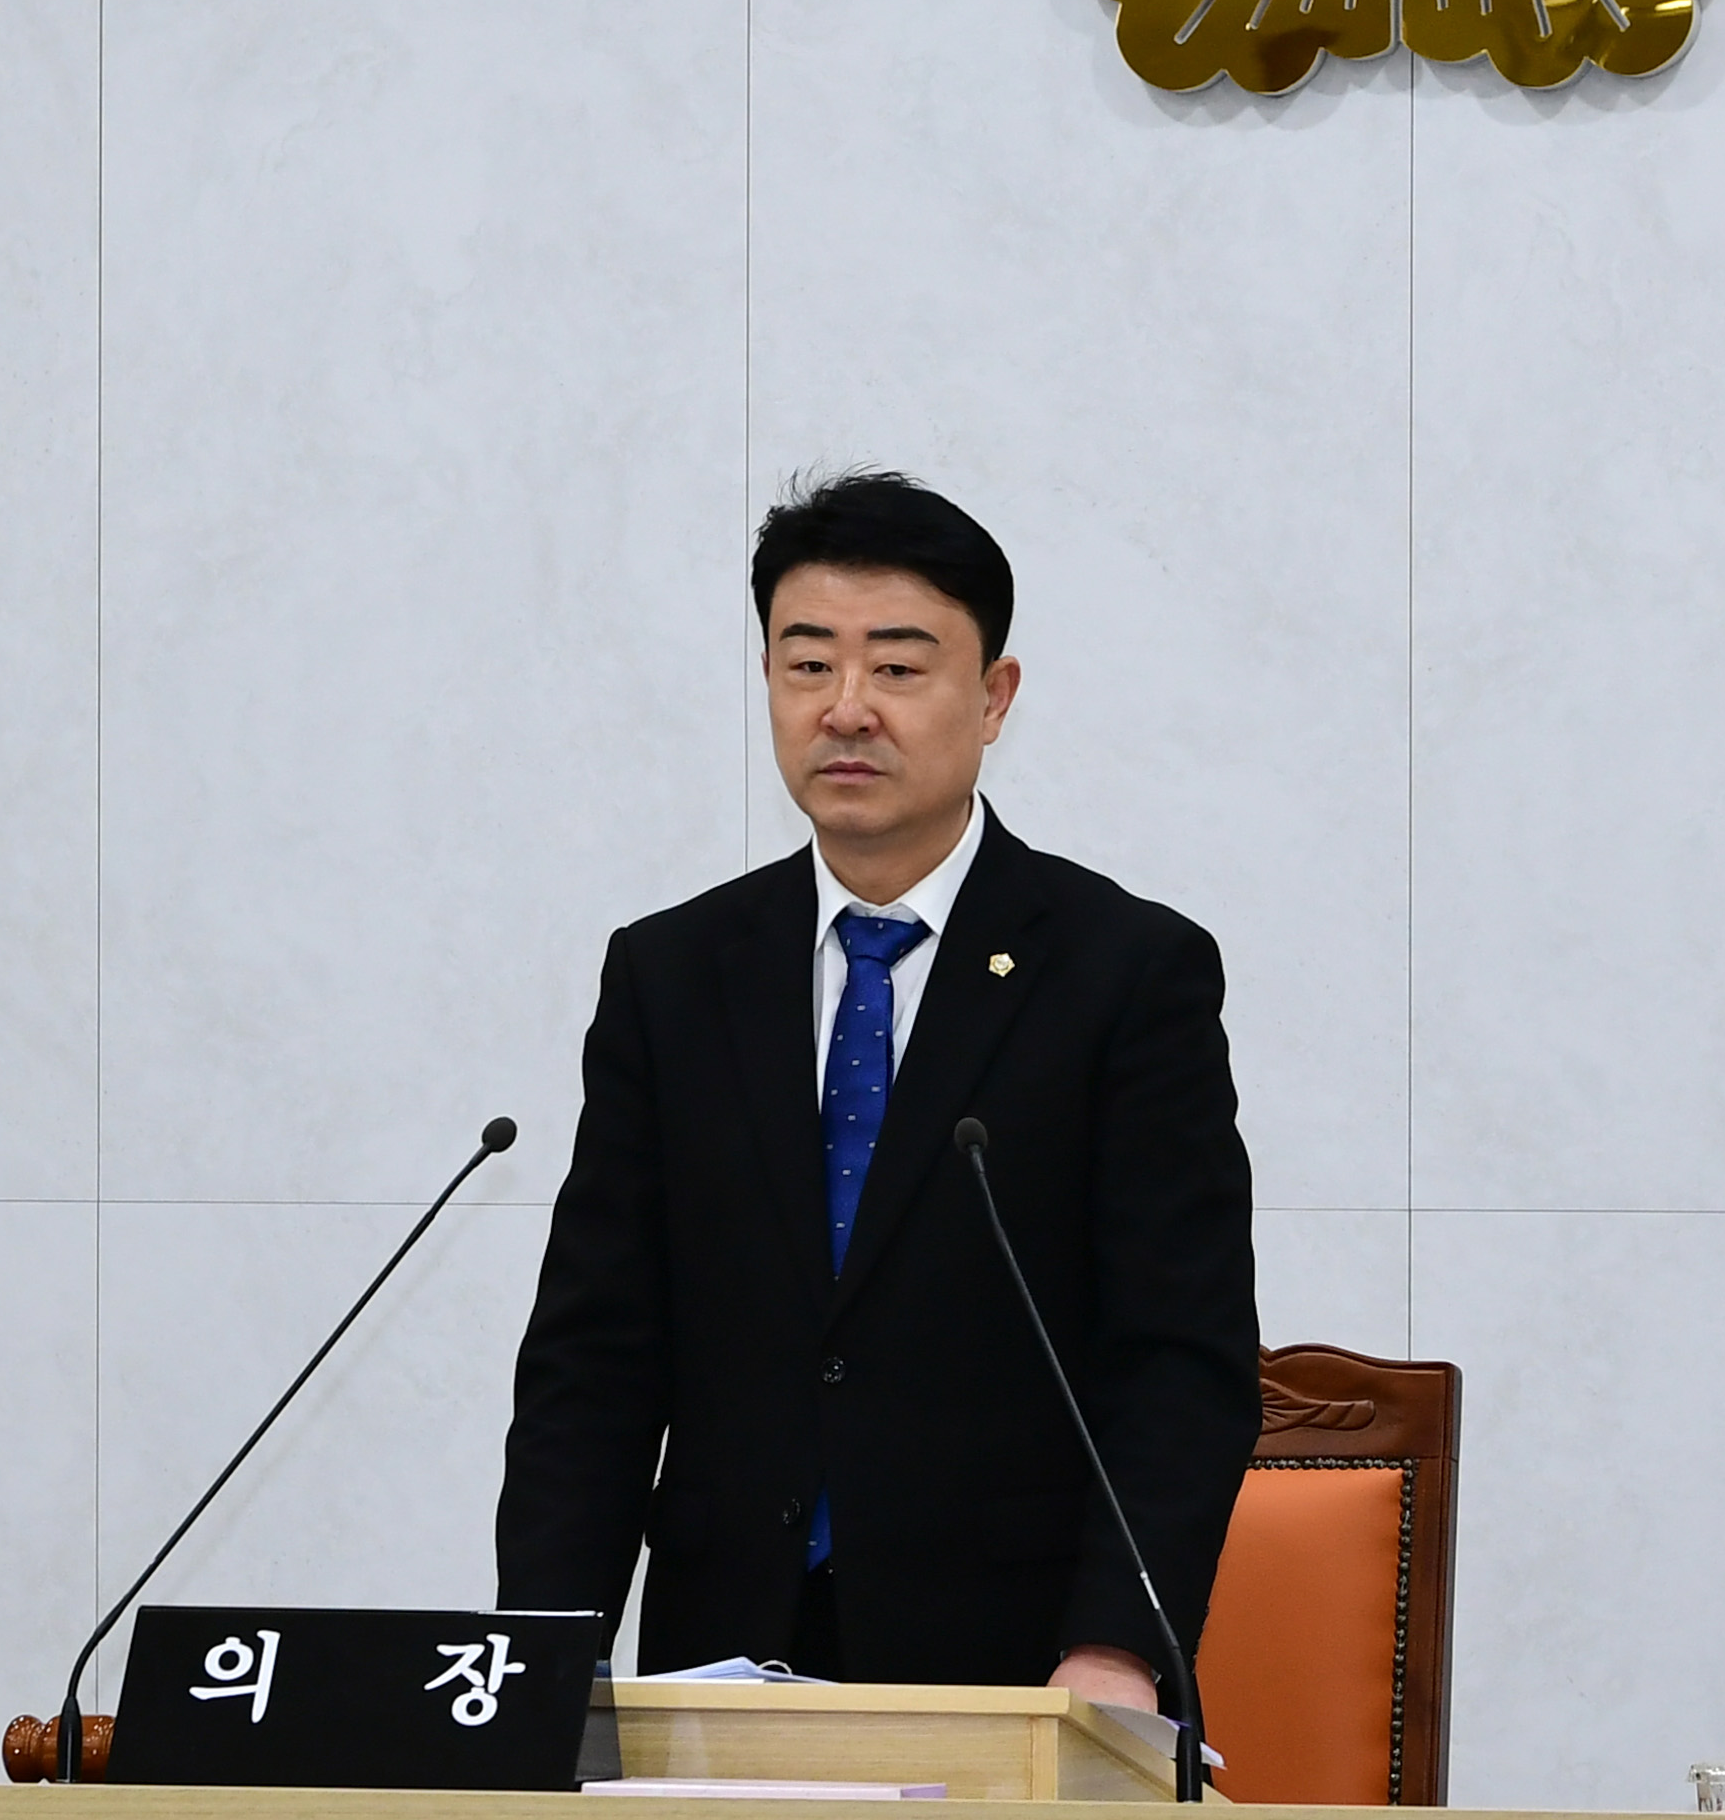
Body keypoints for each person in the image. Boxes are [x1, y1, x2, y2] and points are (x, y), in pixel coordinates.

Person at [498, 470, 1260, 1702]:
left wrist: (1115, 1647)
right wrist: (538, 1661)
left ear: (994, 696)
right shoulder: (674, 973)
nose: (846, 708)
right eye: (808, 665)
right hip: (720, 1660)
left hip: (1022, 1669)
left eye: (898, 667)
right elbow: (593, 1361)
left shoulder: (1126, 973)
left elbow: (1179, 1361)